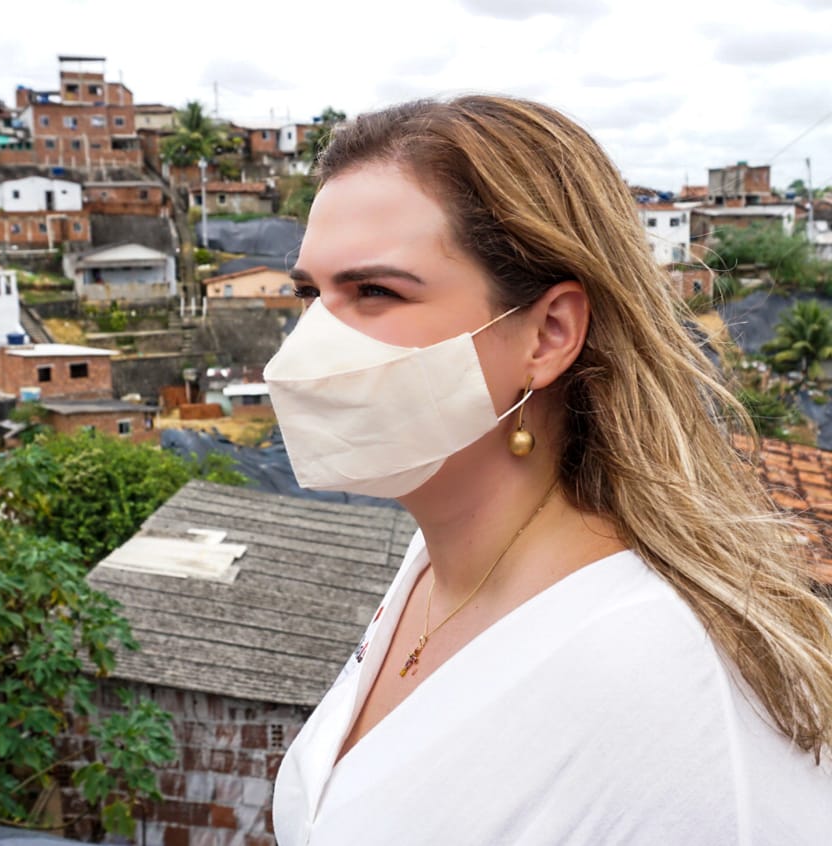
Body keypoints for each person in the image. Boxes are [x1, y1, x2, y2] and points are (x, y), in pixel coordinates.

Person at [263, 96, 832, 845]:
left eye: (375, 292)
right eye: (311, 294)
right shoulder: (437, 567)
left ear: (548, 334)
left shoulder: (671, 688)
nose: (310, 347)